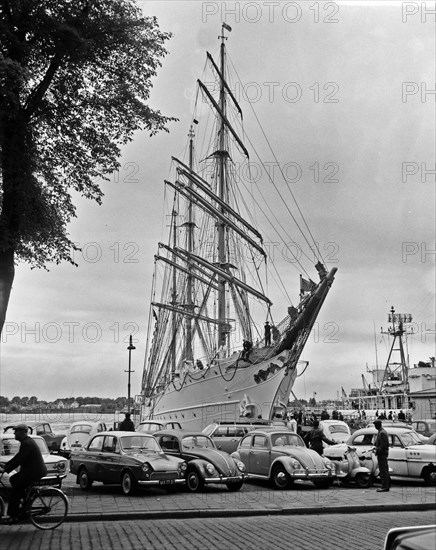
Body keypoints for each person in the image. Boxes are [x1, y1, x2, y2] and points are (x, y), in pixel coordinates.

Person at [0, 424, 47, 524]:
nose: (14, 433)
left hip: (33, 472)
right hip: (30, 471)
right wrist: (5, 465)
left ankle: (14, 516)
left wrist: (5, 470)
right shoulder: (26, 442)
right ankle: (26, 499)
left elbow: (20, 460)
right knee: (13, 479)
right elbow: (18, 457)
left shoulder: (27, 443)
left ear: (22, 432)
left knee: (15, 491)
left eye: (16, 431)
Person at [373, 419, 390, 492]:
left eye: (375, 425)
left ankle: (384, 486)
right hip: (382, 453)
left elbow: (383, 446)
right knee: (384, 469)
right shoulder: (381, 432)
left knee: (383, 471)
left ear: (377, 425)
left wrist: (377, 449)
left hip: (382, 454)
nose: (374, 426)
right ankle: (387, 485)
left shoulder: (382, 433)